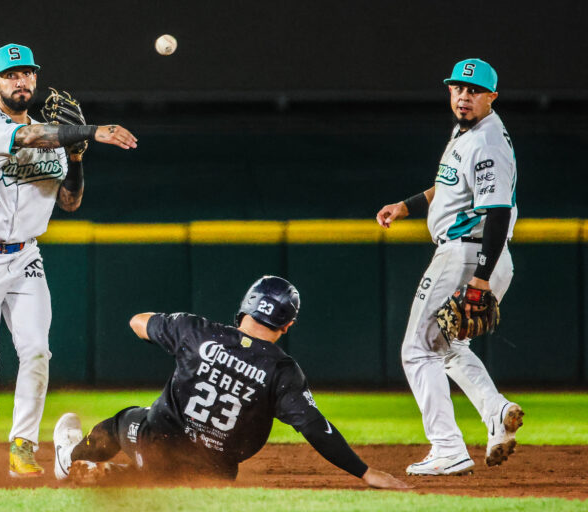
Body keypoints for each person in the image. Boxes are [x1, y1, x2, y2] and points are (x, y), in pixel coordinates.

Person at [0, 43, 138, 477]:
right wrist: (90, 132)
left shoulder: (56, 138)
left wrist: (75, 158)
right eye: (11, 75)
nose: (21, 81)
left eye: (27, 73)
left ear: (35, 79)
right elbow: (27, 138)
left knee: (36, 351)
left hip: (25, 258)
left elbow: (70, 201)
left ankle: (23, 444)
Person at [52, 276, 409, 489]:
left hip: (152, 445)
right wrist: (366, 473)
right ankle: (120, 475)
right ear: (288, 324)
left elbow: (136, 321)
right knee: (175, 472)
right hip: (212, 475)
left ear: (247, 306)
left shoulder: (197, 331)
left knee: (123, 420)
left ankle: (70, 458)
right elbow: (317, 428)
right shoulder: (283, 370)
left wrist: (172, 329)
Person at [376, 58, 523, 476]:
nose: (464, 96)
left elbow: (496, 212)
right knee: (449, 348)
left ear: (492, 97)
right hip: (483, 255)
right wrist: (407, 205)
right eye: (458, 88)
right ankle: (497, 413)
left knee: (417, 350)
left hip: (468, 253)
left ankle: (447, 448)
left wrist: (478, 278)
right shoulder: (468, 133)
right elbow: (447, 186)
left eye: (474, 91)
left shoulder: (487, 142)